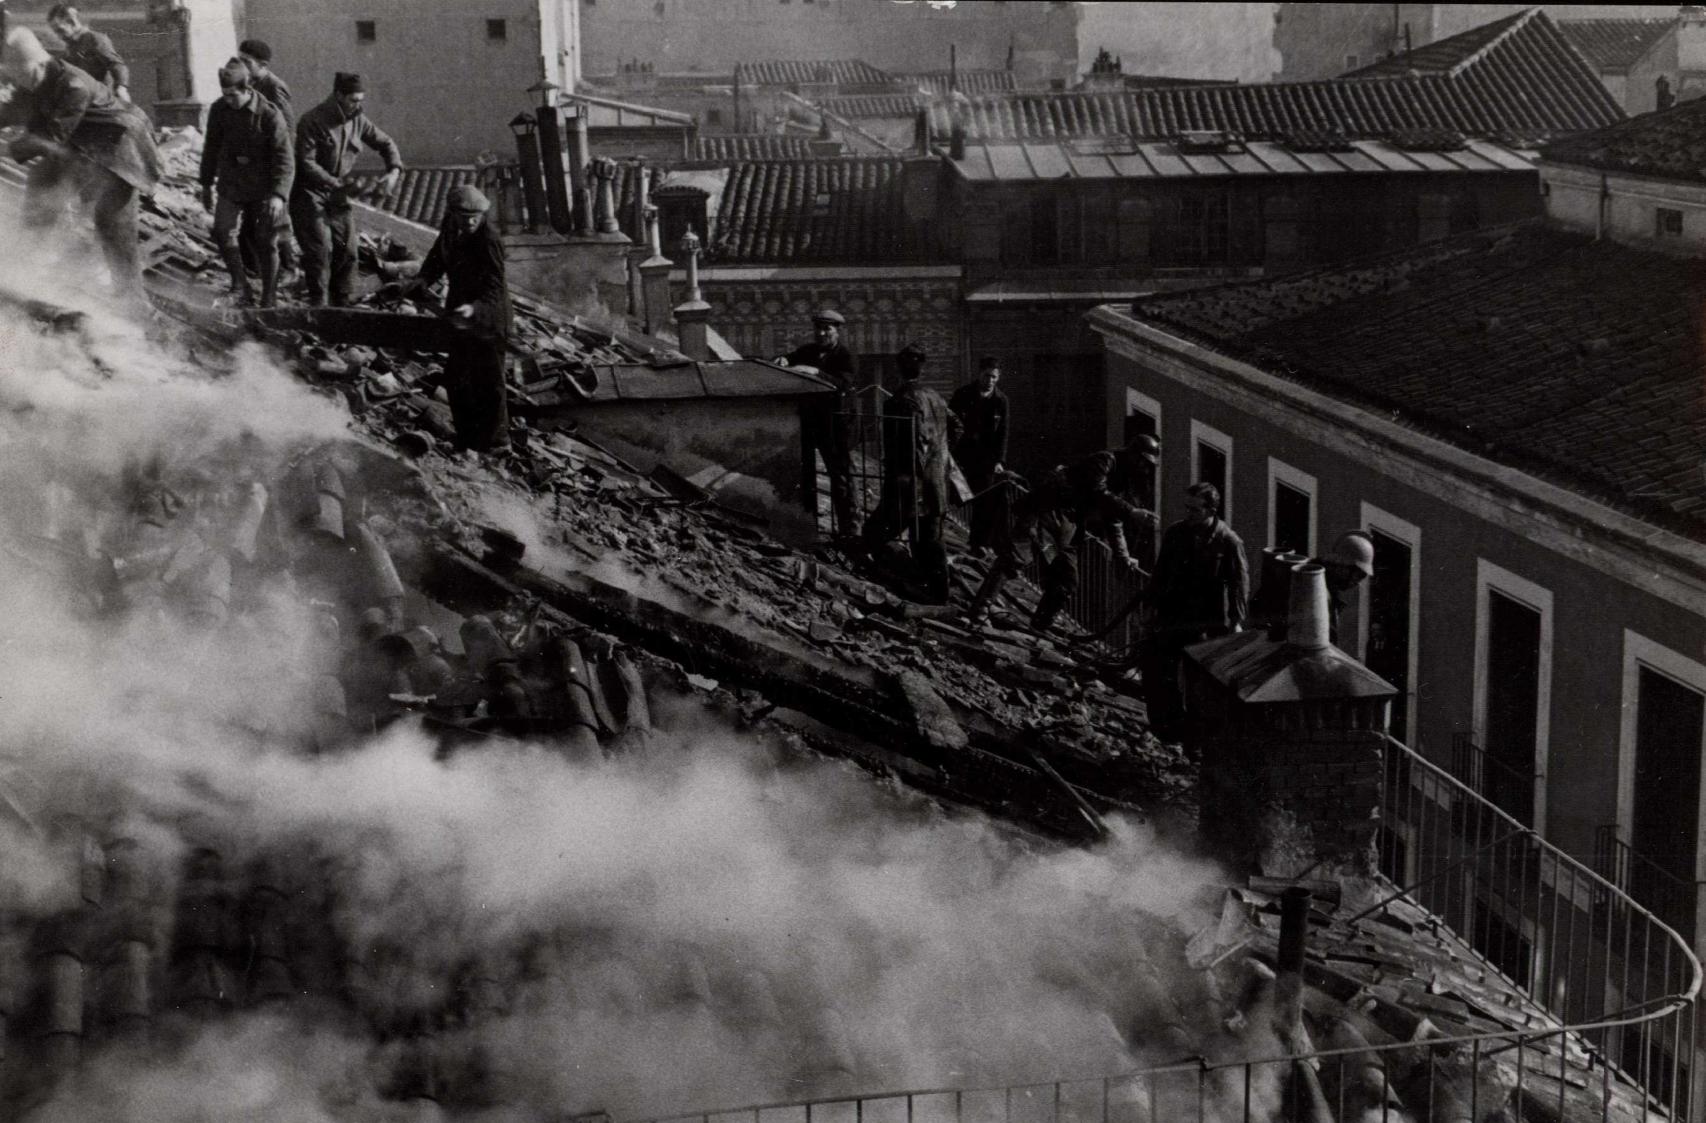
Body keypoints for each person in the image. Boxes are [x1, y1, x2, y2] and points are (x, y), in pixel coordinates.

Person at [0, 27, 161, 300]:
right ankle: (22, 268)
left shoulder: (73, 84)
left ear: (41, 62)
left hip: (121, 148)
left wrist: (4, 148)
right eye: (17, 80)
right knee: (41, 188)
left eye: (24, 77)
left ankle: (132, 301)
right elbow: (12, 110)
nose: (22, 84)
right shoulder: (32, 79)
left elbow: (50, 137)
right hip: (80, 145)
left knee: (111, 221)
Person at [967, 436, 1159, 633]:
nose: (1145, 469)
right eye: (1143, 462)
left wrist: (1123, 555)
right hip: (1044, 509)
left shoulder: (1123, 481)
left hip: (1068, 525)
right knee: (1014, 559)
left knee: (1066, 580)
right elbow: (1098, 491)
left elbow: (1113, 519)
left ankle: (1040, 626)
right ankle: (979, 611)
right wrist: (1131, 512)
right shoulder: (1105, 461)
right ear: (1133, 455)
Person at [404, 185, 512, 452]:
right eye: (465, 217)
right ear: (452, 213)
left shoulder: (489, 239)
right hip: (460, 314)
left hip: (488, 317)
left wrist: (475, 308)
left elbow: (495, 286)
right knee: (457, 378)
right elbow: (438, 256)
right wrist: (423, 279)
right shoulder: (451, 227)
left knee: (489, 380)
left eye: (476, 216)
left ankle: (498, 443)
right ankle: (467, 438)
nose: (471, 221)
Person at [1140, 481, 1249, 736]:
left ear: (1211, 511)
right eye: (1187, 508)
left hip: (1206, 622)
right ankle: (1166, 729)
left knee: (1198, 683)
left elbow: (1239, 584)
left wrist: (1236, 620)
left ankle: (1195, 738)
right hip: (1173, 614)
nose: (1188, 514)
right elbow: (1160, 573)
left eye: (1195, 510)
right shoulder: (1176, 533)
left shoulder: (1228, 542)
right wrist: (1150, 607)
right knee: (1160, 671)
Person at [290, 71, 402, 306]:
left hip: (338, 195)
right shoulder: (312, 121)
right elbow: (306, 163)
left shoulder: (358, 120)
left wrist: (393, 171)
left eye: (361, 100)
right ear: (338, 95)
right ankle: (319, 306)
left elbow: (386, 143)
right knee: (320, 252)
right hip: (309, 193)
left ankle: (342, 304)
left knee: (348, 251)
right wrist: (338, 184)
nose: (358, 105)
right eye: (353, 100)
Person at [862, 343, 954, 601]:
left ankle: (914, 581)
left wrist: (911, 469)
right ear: (921, 369)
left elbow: (911, 444)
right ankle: (938, 594)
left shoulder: (900, 400)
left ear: (898, 370)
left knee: (874, 535)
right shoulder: (936, 397)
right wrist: (939, 458)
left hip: (908, 485)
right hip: (935, 483)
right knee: (930, 541)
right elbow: (956, 427)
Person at [198, 59, 293, 308]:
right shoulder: (219, 110)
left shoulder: (270, 115)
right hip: (232, 183)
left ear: (246, 89)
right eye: (224, 95)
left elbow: (285, 160)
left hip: (264, 187)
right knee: (222, 230)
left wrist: (278, 195)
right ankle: (240, 286)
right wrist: (206, 184)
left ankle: (268, 297)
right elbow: (211, 148)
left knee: (266, 239)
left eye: (232, 95)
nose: (228, 100)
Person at [776, 309, 860, 537]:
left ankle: (849, 530)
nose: (822, 333)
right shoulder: (808, 351)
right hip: (810, 425)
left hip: (836, 428)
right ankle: (806, 523)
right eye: (818, 329)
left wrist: (816, 372)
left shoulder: (845, 356)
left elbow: (844, 384)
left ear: (837, 331)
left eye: (827, 329)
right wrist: (784, 359)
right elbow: (790, 358)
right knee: (803, 474)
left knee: (841, 479)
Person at [235, 39, 299, 282]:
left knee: (276, 218)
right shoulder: (249, 83)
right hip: (254, 165)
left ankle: (289, 268)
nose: (241, 65)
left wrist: (281, 168)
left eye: (246, 62)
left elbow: (288, 129)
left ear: (261, 65)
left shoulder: (273, 86)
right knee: (254, 220)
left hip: (273, 165)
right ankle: (257, 272)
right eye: (239, 59)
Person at [948, 355, 1010, 553]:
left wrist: (999, 460)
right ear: (979, 374)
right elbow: (950, 424)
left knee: (985, 502)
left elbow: (1003, 433)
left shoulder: (1001, 401)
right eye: (986, 376)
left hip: (986, 460)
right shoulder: (963, 394)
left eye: (993, 377)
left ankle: (979, 543)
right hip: (962, 456)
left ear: (998, 377)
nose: (989, 381)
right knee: (954, 494)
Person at [45, 4, 126, 100]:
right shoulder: (70, 44)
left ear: (72, 22)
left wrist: (122, 88)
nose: (59, 37)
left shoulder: (95, 39)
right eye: (56, 32)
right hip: (82, 96)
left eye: (60, 31)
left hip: (100, 98)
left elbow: (116, 64)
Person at [1312, 529, 1374, 645]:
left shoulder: (1324, 588)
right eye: (1359, 575)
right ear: (1343, 566)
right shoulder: (1317, 593)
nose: (1357, 582)